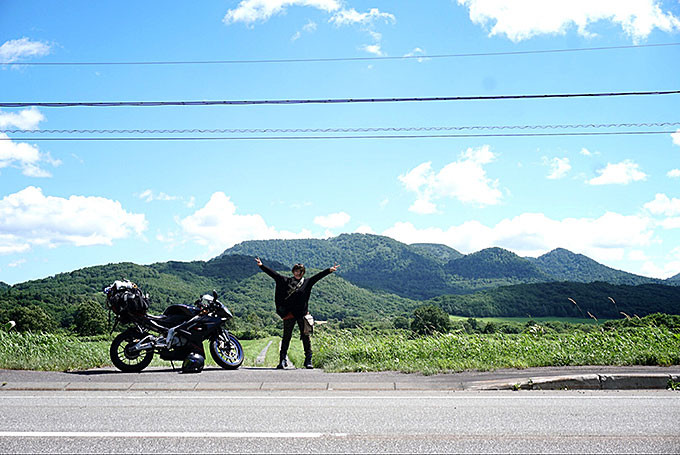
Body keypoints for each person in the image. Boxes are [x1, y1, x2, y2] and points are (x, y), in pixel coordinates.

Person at [255, 257, 339, 369]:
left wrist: (329, 270)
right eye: (296, 271)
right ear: (293, 271)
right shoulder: (286, 281)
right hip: (289, 314)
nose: (297, 273)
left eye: (300, 271)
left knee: (305, 337)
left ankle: (308, 360)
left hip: (302, 314)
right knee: (286, 337)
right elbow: (274, 274)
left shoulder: (307, 282)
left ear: (303, 272)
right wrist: (262, 266)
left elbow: (318, 277)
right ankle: (282, 360)